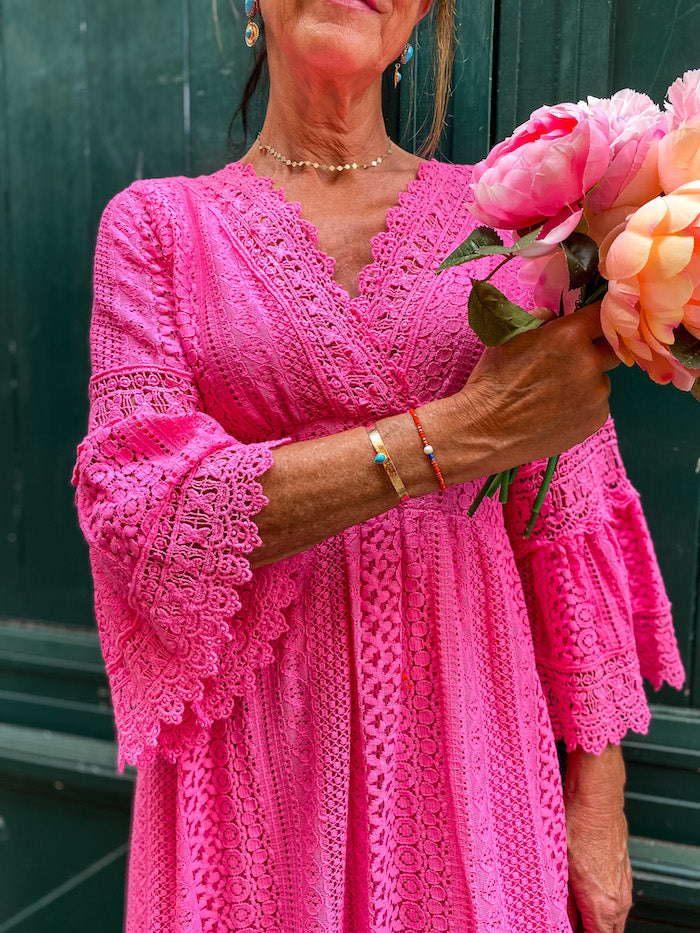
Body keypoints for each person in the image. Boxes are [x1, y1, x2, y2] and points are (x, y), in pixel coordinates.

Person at [72, 0, 685, 930]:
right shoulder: (156, 230)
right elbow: (143, 510)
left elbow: (566, 521)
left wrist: (600, 796)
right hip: (254, 767)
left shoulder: (514, 219)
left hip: (474, 753)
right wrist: (461, 431)